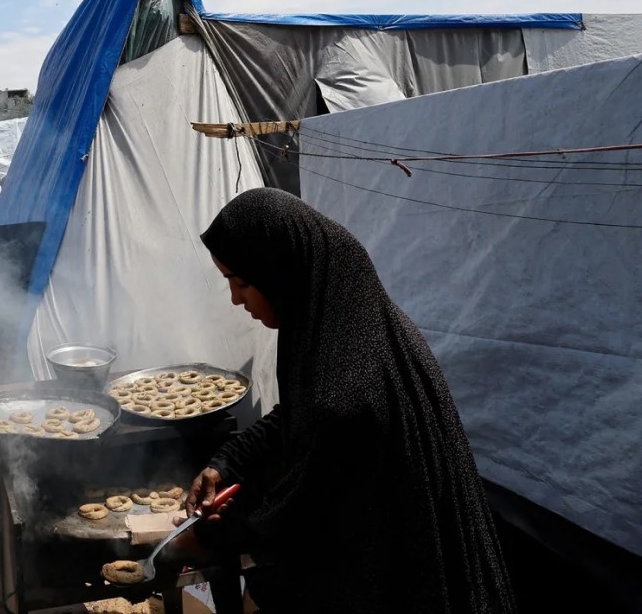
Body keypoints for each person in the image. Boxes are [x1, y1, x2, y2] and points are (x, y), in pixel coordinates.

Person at [174, 188, 514, 613]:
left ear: (282, 273)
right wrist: (226, 462)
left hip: (397, 580)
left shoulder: (345, 389)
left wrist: (202, 540)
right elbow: (295, 416)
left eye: (241, 282)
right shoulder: (343, 330)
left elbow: (297, 516)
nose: (236, 299)